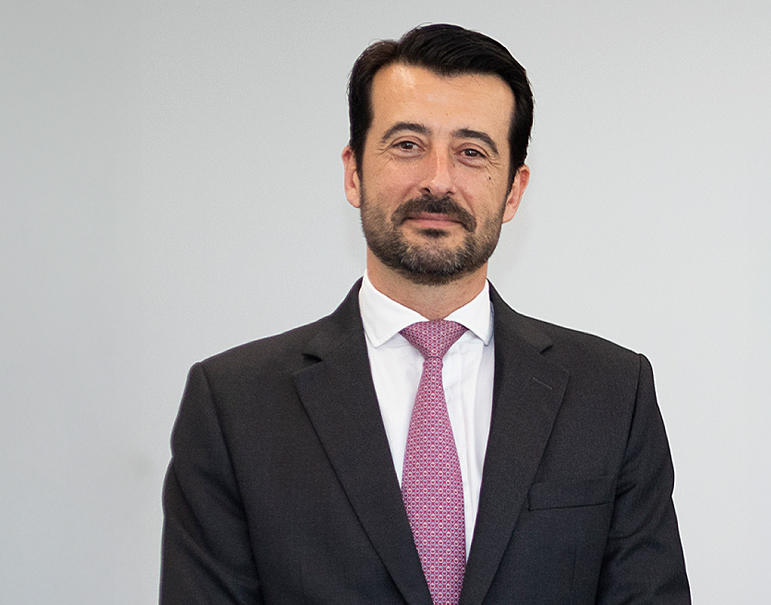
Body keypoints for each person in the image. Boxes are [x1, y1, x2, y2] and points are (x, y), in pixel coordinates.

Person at [160, 23, 690, 604]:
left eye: (471, 153)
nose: (438, 180)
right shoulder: (233, 405)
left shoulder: (612, 394)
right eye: (408, 145)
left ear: (513, 191)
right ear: (354, 173)